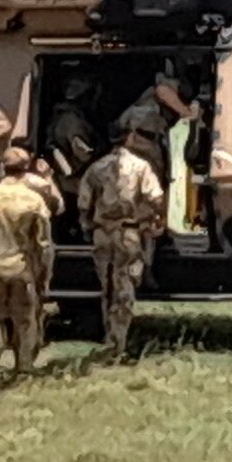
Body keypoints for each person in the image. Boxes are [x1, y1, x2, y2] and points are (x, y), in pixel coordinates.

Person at [77, 126, 168, 365]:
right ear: (130, 138)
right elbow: (155, 197)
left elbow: (84, 203)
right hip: (129, 233)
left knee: (106, 286)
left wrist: (88, 226)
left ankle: (110, 336)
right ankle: (119, 341)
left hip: (102, 234)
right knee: (125, 286)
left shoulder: (95, 168)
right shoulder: (140, 166)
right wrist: (156, 218)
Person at [0, 144, 53, 383]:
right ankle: (24, 367)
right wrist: (44, 273)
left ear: (2, 168)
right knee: (25, 318)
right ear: (26, 169)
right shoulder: (33, 200)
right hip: (21, 266)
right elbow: (43, 242)